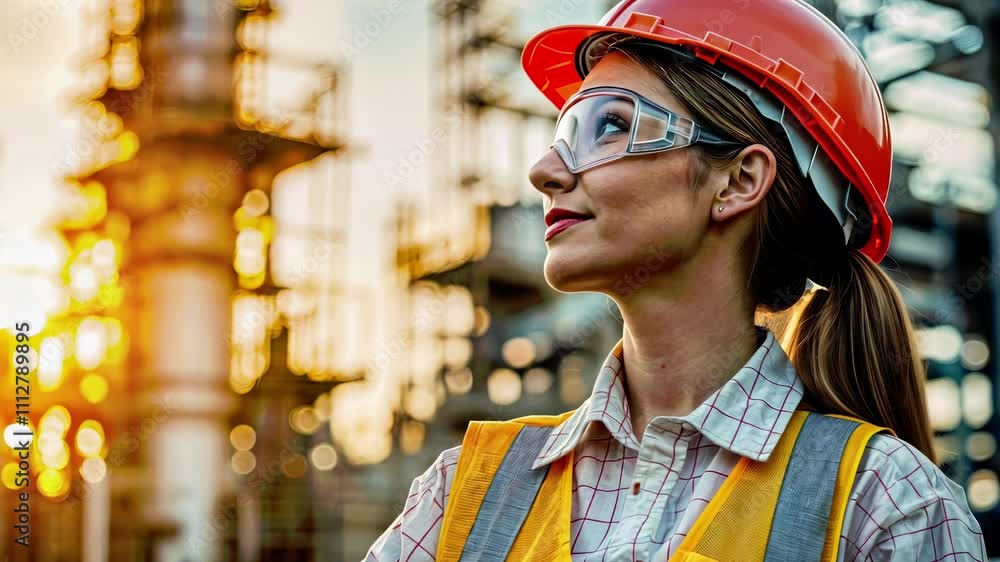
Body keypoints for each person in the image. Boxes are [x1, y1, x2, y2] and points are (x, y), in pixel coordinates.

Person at [366, 0, 988, 560]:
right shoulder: (460, 493)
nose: (546, 170)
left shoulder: (889, 508)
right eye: (563, 133)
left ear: (739, 181)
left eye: (608, 125)